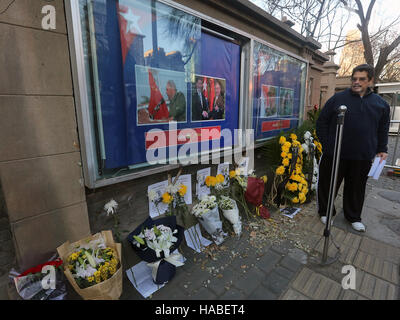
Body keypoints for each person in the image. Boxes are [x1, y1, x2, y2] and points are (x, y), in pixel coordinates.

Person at [316, 64, 390, 232]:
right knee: (328, 184)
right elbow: (322, 122)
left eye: (362, 79)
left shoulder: (381, 105)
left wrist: (382, 149)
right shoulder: (338, 99)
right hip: (334, 154)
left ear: (371, 80)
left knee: (357, 187)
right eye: (354, 79)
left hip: (362, 155)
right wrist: (328, 144)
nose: (357, 82)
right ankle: (325, 211)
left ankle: (353, 216)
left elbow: (382, 129)